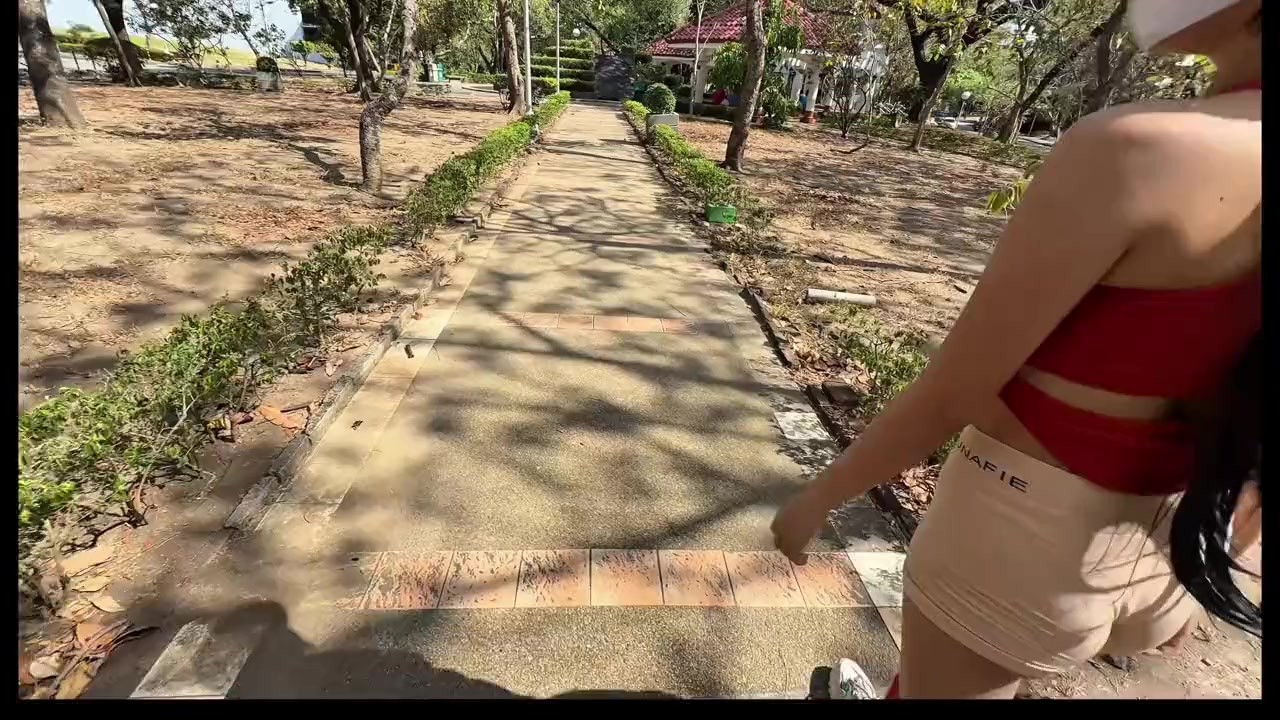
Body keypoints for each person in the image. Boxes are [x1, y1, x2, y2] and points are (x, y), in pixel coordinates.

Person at [771, 0, 1262, 699]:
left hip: (1021, 535)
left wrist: (820, 497)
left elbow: (954, 390)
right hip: (1185, 537)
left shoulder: (1140, 146)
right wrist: (1212, 560)